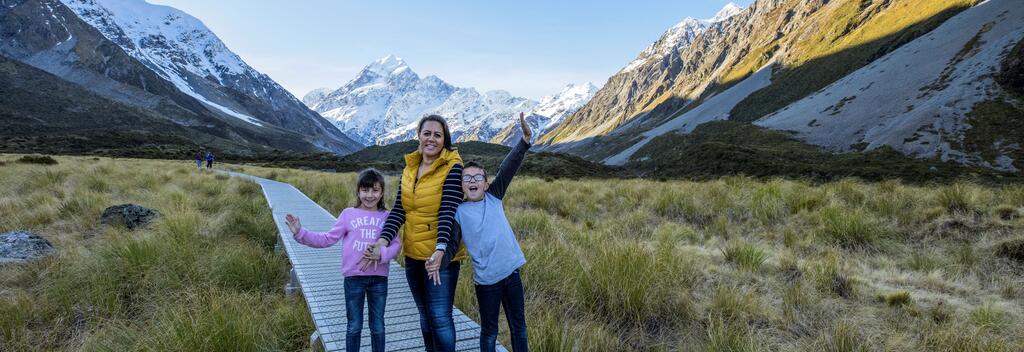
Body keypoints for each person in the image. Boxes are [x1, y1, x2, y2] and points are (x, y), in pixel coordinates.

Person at [364, 114, 466, 352]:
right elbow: (400, 209)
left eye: (437, 135)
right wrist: (382, 240)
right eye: (427, 133)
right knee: (425, 316)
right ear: (419, 136)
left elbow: (448, 211)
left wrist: (441, 250)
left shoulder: (453, 167)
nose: (431, 139)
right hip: (413, 255)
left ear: (445, 140)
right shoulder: (410, 167)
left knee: (440, 318)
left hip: (440, 257)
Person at [284, 169, 400, 352]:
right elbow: (327, 238)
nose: (370, 195)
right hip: (353, 279)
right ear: (358, 191)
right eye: (365, 190)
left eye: (375, 190)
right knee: (354, 326)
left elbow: (396, 245)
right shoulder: (348, 214)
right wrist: (300, 232)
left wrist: (382, 254)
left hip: (379, 279)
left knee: (378, 326)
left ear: (382, 192)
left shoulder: (388, 216)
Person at [456, 112, 531, 352]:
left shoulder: (494, 196)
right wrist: (437, 257)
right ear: (462, 186)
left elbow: (507, 167)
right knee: (489, 331)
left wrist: (524, 141)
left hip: (512, 274)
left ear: (486, 183)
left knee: (519, 327)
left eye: (478, 177)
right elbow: (449, 243)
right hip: (486, 282)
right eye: (467, 178)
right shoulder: (459, 212)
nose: (473, 180)